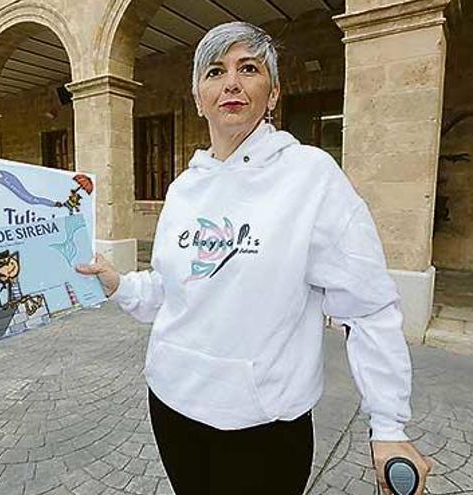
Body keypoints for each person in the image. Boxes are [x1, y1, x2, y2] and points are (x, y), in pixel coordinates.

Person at [77, 21, 433, 495]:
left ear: (274, 93)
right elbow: (169, 291)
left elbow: (367, 306)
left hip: (263, 424)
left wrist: (388, 424)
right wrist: (117, 282)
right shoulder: (185, 188)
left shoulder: (310, 177)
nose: (231, 83)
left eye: (249, 68)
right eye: (215, 71)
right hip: (172, 404)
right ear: (198, 96)